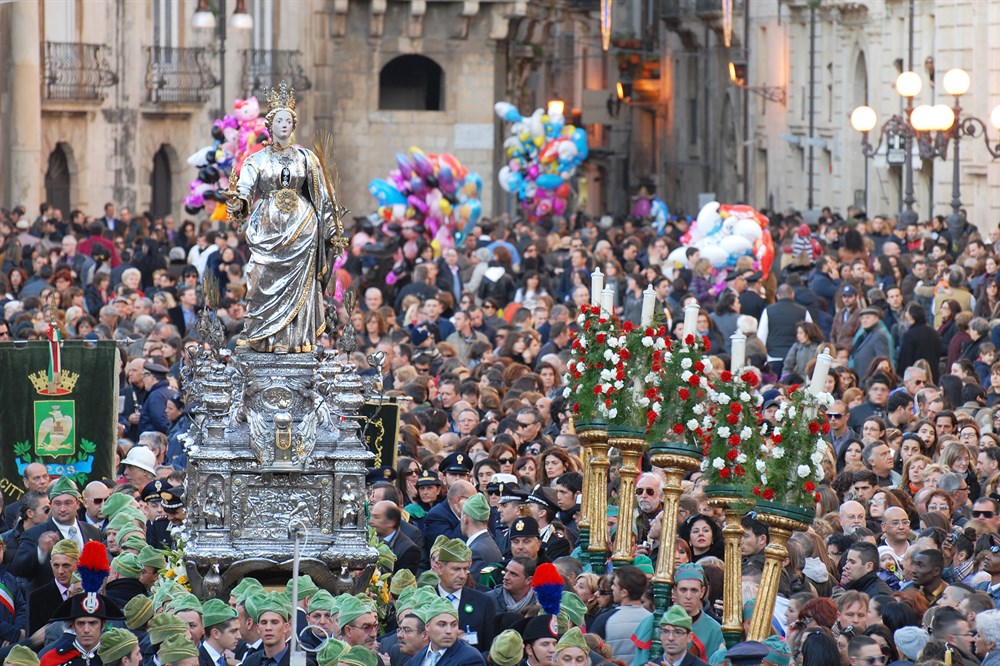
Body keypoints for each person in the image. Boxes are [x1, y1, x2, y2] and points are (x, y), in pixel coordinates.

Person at [225, 82, 340, 354]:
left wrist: (332, 227)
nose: (285, 125)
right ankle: (263, 336)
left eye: (289, 120)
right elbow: (245, 189)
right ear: (270, 125)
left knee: (301, 283)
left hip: (302, 230)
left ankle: (295, 339)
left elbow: (322, 195)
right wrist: (238, 199)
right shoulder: (257, 160)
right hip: (268, 230)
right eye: (280, 120)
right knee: (261, 276)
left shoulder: (306, 158)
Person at [405, 597, 486, 666]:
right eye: (442, 625)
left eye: (453, 625)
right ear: (427, 626)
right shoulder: (418, 657)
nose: (449, 631)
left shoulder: (470, 658)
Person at [198, 600, 240, 666]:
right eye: (233, 631)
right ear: (216, 633)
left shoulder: (226, 661)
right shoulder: (197, 662)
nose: (239, 636)